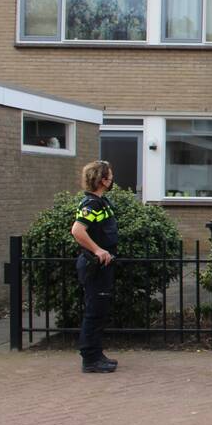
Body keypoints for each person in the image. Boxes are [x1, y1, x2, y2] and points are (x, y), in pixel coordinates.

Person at [70, 160, 119, 373]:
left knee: (99, 311)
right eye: (110, 176)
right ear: (102, 180)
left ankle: (96, 354)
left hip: (103, 265)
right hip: (95, 265)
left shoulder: (102, 202)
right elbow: (77, 230)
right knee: (93, 311)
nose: (112, 179)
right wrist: (98, 250)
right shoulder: (91, 204)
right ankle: (90, 359)